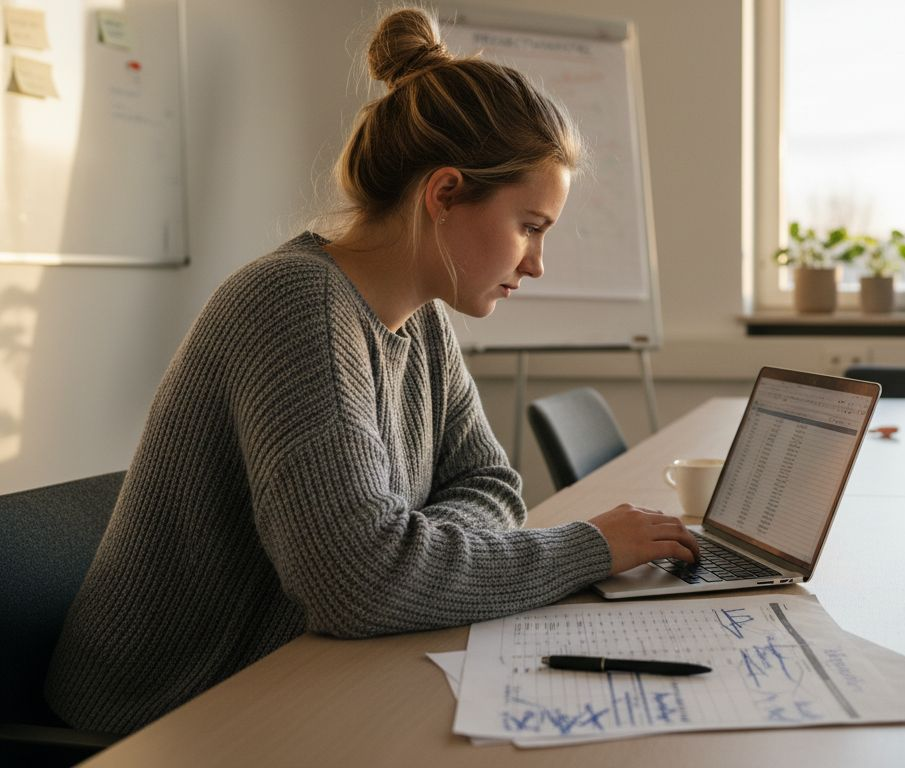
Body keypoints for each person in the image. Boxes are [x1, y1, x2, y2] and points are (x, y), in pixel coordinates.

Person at [45, 7, 697, 736]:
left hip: (296, 670)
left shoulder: (422, 324)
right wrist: (590, 546)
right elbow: (362, 584)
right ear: (445, 194)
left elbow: (489, 490)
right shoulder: (295, 306)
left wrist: (411, 552)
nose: (537, 264)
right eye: (529, 227)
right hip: (166, 715)